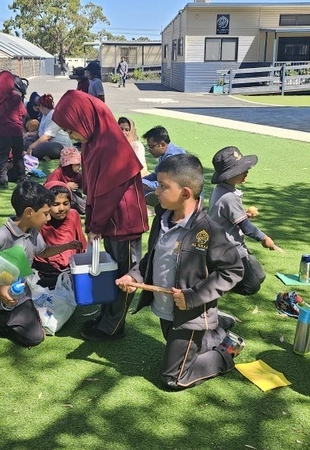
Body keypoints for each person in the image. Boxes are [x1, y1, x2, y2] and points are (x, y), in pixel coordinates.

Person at [117, 154, 245, 389]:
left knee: (174, 378)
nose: (157, 191)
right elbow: (152, 259)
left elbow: (233, 270)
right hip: (166, 311)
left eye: (164, 186)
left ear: (185, 193)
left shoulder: (209, 231)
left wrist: (194, 296)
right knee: (185, 347)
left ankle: (225, 354)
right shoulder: (162, 219)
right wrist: (133, 276)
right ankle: (217, 330)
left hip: (189, 317)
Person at [52, 90, 149, 341]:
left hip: (123, 222)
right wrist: (93, 219)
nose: (71, 136)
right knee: (110, 271)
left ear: (85, 120)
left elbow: (109, 191)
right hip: (108, 221)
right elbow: (92, 187)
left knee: (125, 275)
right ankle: (107, 316)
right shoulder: (94, 142)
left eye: (72, 129)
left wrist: (95, 223)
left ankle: (113, 327)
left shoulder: (111, 145)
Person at [0, 180, 81, 357]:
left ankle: (0, 325)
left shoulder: (33, 232)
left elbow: (44, 251)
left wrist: (67, 245)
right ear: (29, 213)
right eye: (46, 214)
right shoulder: (1, 236)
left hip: (19, 300)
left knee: (35, 338)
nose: (49, 219)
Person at [208, 146, 283, 295]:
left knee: (260, 276)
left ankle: (221, 270)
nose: (246, 172)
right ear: (228, 175)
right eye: (241, 170)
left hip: (227, 244)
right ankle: (215, 275)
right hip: (229, 249)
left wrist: (244, 214)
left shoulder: (221, 190)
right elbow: (246, 227)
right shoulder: (229, 197)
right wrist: (264, 238)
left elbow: (228, 216)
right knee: (251, 287)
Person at [33, 182, 87, 288]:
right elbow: (38, 251)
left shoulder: (73, 215)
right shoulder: (42, 219)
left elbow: (81, 244)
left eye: (65, 203)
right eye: (56, 204)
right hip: (46, 264)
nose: (61, 208)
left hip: (70, 263)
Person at [0, 70, 26, 188]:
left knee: (3, 155)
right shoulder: (16, 97)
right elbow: (23, 113)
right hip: (17, 130)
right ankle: (22, 177)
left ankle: (3, 179)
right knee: (18, 155)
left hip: (4, 131)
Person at [142, 126, 186, 201]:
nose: (149, 151)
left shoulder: (173, 158)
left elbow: (163, 185)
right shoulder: (165, 154)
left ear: (162, 145)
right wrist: (140, 180)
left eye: (151, 147)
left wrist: (140, 182)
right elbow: (156, 175)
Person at [27, 94, 72, 161]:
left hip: (59, 145)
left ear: (41, 106)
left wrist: (32, 146)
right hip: (47, 142)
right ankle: (34, 152)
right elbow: (40, 132)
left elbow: (47, 136)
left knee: (38, 148)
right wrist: (28, 134)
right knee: (27, 141)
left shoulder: (53, 115)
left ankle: (33, 153)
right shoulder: (45, 115)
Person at [46, 146, 85, 215]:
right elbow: (49, 190)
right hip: (56, 199)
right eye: (77, 165)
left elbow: (86, 185)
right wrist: (66, 186)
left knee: (77, 195)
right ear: (69, 165)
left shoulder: (76, 175)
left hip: (68, 199)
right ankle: (84, 207)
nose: (79, 167)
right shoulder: (58, 173)